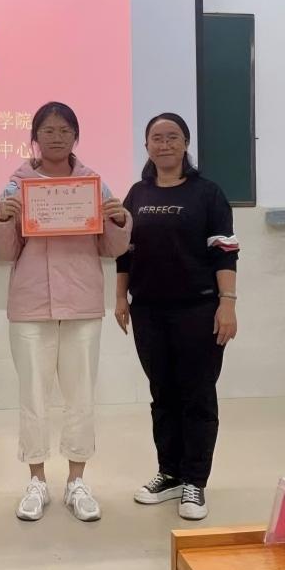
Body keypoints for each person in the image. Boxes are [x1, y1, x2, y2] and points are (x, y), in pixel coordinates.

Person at [0, 101, 131, 522]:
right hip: (30, 304)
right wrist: (2, 219)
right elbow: (5, 251)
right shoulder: (16, 186)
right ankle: (36, 480)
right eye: (47, 130)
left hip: (82, 302)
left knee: (80, 395)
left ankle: (76, 481)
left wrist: (118, 220)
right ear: (35, 137)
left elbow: (110, 248)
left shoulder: (94, 185)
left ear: (75, 137)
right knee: (33, 395)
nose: (56, 137)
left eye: (64, 130)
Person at [115, 112, 239, 520]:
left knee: (197, 396)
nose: (164, 144)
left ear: (186, 144)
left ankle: (194, 482)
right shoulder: (137, 193)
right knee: (162, 395)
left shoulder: (207, 193)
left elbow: (225, 252)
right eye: (157, 138)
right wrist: (120, 298)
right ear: (147, 146)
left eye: (172, 137)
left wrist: (227, 302)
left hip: (198, 309)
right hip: (148, 310)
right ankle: (169, 473)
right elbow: (124, 252)